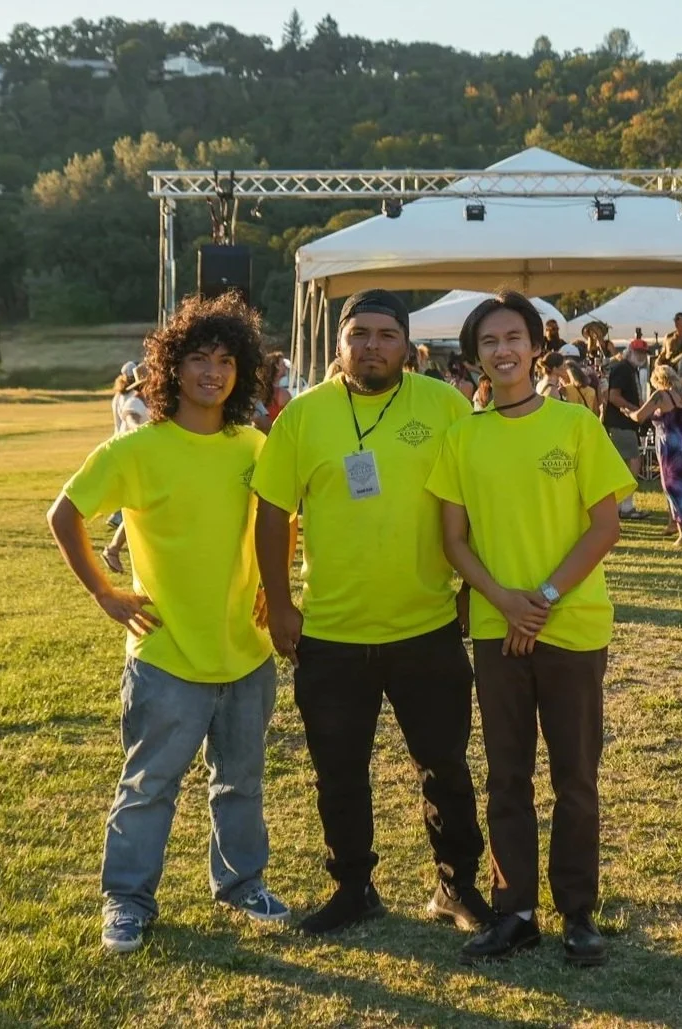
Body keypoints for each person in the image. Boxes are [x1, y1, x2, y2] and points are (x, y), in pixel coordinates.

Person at [45, 294, 289, 955]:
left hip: (246, 651)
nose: (213, 372)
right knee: (149, 784)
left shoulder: (257, 444)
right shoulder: (136, 449)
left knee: (241, 780)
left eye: (226, 360)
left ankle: (243, 885)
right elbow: (64, 515)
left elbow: (282, 520)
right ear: (171, 367)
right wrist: (105, 592)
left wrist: (275, 587)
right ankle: (126, 900)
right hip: (166, 654)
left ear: (240, 373)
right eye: (198, 358)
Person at [252, 288, 491, 936]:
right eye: (360, 333)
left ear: (408, 345)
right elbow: (273, 511)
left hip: (427, 624)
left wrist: (472, 589)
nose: (373, 346)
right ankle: (354, 886)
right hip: (331, 632)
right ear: (339, 343)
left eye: (386, 334)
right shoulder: (303, 416)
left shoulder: (444, 406)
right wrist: (280, 604)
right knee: (338, 771)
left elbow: (472, 502)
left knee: (444, 766)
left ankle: (457, 887)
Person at [425, 291, 635, 967]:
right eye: (489, 341)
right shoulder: (462, 436)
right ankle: (515, 909)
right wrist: (505, 602)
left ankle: (578, 911)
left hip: (571, 626)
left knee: (576, 775)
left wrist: (540, 599)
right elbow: (454, 541)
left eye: (514, 337)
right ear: (474, 355)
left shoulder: (575, 425)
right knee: (507, 774)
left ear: (535, 346)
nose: (503, 350)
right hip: (496, 627)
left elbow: (606, 526)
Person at [630, 362, 682, 544]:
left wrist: (627, 412)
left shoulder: (660, 395)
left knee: (673, 487)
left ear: (658, 381)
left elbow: (639, 417)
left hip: (671, 445)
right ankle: (673, 523)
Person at [102, 363, 151, 574]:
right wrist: (144, 435)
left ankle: (113, 549)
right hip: (131, 460)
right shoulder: (134, 402)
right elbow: (131, 421)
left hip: (143, 459)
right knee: (140, 508)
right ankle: (113, 549)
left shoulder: (152, 402)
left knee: (142, 509)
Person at [602, 338, 651, 521]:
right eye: (638, 352)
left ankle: (622, 505)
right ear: (629, 351)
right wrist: (635, 410)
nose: (641, 356)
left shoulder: (629, 369)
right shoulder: (623, 369)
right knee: (632, 463)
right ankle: (624, 506)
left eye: (644, 353)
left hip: (624, 424)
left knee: (626, 465)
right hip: (621, 424)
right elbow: (614, 396)